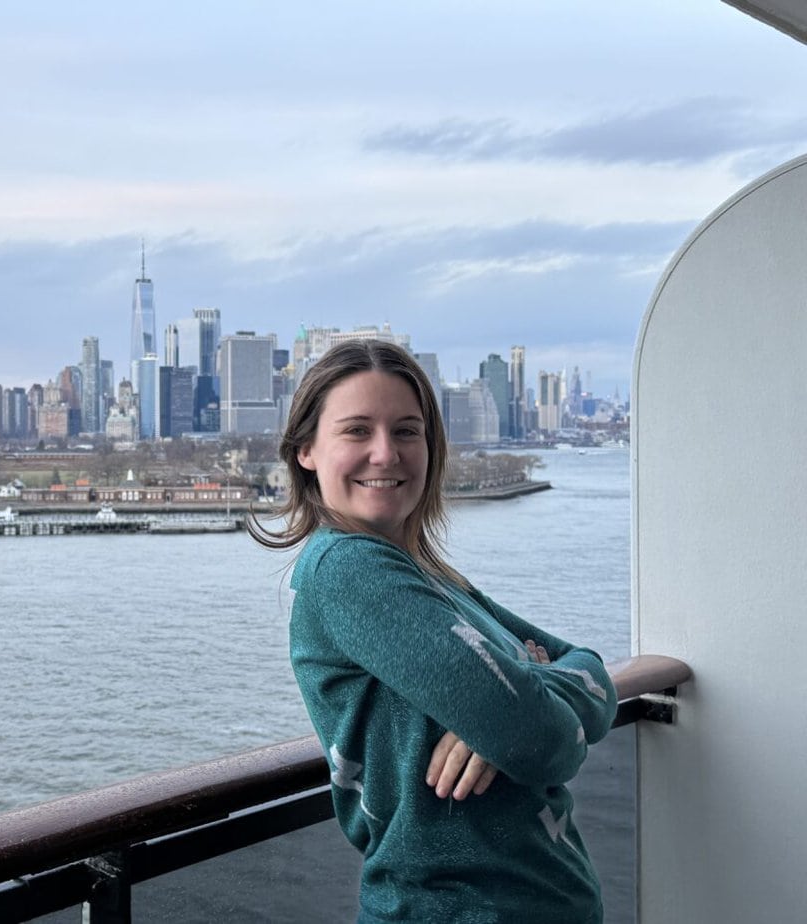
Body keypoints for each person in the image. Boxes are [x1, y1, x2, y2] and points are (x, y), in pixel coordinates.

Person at [250, 340, 617, 923]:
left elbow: (592, 672)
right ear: (306, 452)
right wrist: (511, 712)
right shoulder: (346, 569)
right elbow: (544, 742)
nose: (384, 453)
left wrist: (507, 709)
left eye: (406, 431)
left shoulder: (432, 578)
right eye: (355, 431)